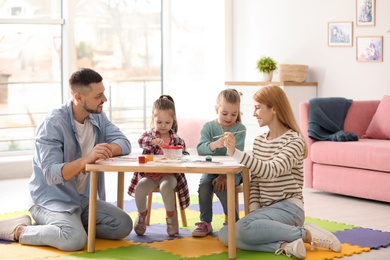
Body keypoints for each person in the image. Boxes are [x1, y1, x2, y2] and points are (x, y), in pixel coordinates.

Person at [0, 68, 133, 251]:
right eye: (98, 96)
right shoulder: (52, 124)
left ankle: (66, 227)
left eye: (103, 94)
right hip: (50, 200)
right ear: (79, 98)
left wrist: (105, 150)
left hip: (79, 199)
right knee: (74, 240)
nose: (104, 99)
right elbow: (51, 175)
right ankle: (19, 229)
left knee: (123, 225)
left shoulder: (98, 117)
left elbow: (124, 143)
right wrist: (87, 159)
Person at [218, 85, 342, 259]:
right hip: (266, 211)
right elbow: (255, 182)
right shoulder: (259, 141)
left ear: (274, 108)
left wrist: (235, 153)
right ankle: (285, 246)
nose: (254, 113)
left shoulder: (295, 141)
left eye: (258, 107)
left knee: (240, 229)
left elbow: (271, 170)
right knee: (225, 234)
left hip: (289, 209)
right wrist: (254, 213)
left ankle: (307, 234)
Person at [127, 95, 190, 236]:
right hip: (150, 175)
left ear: (173, 120)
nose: (163, 125)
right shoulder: (149, 136)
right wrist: (153, 141)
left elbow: (186, 156)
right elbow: (141, 141)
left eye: (167, 122)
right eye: (159, 122)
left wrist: (179, 156)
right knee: (140, 187)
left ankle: (170, 218)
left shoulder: (177, 139)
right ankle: (142, 216)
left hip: (169, 176)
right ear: (153, 120)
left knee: (165, 187)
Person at [192, 88, 246, 237]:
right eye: (224, 113)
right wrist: (215, 144)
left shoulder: (240, 129)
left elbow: (237, 157)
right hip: (211, 170)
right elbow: (200, 149)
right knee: (204, 185)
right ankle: (205, 223)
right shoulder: (208, 127)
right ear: (217, 109)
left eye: (234, 114)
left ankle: (233, 222)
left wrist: (224, 174)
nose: (229, 118)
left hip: (233, 171)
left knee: (221, 186)